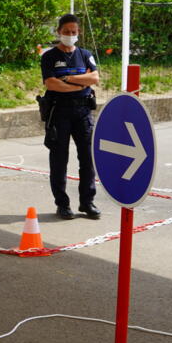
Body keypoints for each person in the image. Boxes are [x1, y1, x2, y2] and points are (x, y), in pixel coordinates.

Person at [39, 14, 101, 220]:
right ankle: (62, 204)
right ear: (59, 32)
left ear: (79, 32)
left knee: (87, 158)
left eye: (74, 32)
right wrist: (80, 83)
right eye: (66, 32)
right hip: (59, 112)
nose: (71, 35)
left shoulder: (85, 54)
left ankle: (87, 202)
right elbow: (51, 84)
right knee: (59, 160)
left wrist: (69, 78)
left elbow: (95, 78)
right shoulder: (49, 56)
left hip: (83, 111)